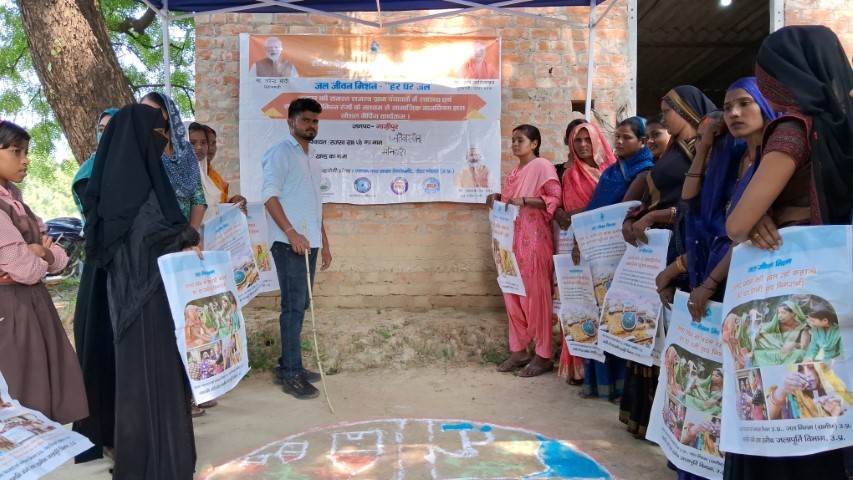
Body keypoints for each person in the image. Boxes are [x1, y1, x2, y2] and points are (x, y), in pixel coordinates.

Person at [723, 25, 853, 480]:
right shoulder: (845, 125)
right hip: (841, 285)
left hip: (796, 283)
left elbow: (737, 225)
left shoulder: (794, 130)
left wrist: (762, 211)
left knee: (786, 414)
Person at [82, 101, 203, 479]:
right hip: (143, 301)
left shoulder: (132, 182)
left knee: (150, 380)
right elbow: (148, 235)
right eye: (158, 133)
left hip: (142, 297)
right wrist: (184, 238)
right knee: (148, 380)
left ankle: (155, 459)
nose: (164, 141)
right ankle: (154, 464)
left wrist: (182, 236)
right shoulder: (130, 189)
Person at [667, 78, 777, 322]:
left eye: (745, 103)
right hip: (720, 266)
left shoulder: (775, 159)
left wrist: (709, 283)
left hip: (757, 274)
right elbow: (688, 199)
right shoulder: (734, 160)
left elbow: (744, 233)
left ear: (764, 104)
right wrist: (704, 147)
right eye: (727, 108)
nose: (734, 113)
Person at [0, 120, 88, 425]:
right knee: (20, 391)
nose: (25, 160)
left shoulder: (15, 201)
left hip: (31, 304)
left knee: (39, 391)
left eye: (26, 152)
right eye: (16, 151)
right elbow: (24, 268)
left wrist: (42, 252)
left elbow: (59, 256)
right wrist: (36, 255)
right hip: (9, 307)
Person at [576, 117, 653, 403]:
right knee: (598, 313)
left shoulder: (644, 171)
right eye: (617, 137)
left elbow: (621, 211)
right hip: (599, 251)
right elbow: (593, 209)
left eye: (626, 137)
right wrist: (580, 238)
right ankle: (599, 382)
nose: (619, 142)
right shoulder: (611, 171)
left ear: (642, 142)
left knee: (620, 315)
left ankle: (621, 388)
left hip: (623, 253)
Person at [262, 97, 332, 399]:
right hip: (288, 243)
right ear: (290, 122)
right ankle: (292, 374)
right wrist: (291, 233)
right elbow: (269, 196)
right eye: (305, 120)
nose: (311, 126)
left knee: (300, 305)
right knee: (292, 307)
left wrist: (324, 242)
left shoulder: (311, 158)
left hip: (309, 243)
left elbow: (315, 205)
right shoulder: (281, 153)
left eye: (315, 121)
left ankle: (288, 365)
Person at [486, 124, 561, 377]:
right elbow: (510, 203)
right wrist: (497, 197)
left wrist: (526, 200)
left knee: (536, 300)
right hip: (510, 244)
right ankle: (519, 352)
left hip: (535, 243)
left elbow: (555, 199)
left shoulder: (542, 166)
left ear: (534, 144)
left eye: (520, 140)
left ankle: (543, 356)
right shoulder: (514, 172)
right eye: (513, 140)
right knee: (512, 296)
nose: (515, 144)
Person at [71, 108, 121, 463]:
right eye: (101, 129)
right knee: (101, 349)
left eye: (112, 128)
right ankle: (103, 434)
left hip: (125, 270)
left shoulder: (132, 168)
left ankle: (124, 429)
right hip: (100, 270)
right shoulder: (89, 173)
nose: (105, 134)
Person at [553, 121, 615, 384]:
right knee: (582, 305)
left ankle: (610, 373)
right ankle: (581, 369)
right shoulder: (570, 175)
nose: (582, 145)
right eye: (577, 141)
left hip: (608, 246)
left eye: (587, 139)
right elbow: (568, 214)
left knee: (608, 306)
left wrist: (577, 215)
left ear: (597, 140)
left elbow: (615, 207)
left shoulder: (612, 171)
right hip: (578, 246)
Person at [140, 93, 206, 230]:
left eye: (153, 112)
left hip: (187, 233)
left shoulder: (187, 150)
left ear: (169, 115)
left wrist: (191, 232)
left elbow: (198, 197)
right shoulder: (144, 152)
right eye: (142, 113)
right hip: (157, 232)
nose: (147, 118)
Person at [187, 122, 246, 219]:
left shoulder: (211, 177)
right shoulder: (181, 177)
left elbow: (216, 205)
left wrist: (232, 202)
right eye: (193, 143)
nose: (199, 147)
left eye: (204, 142)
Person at [767, 363, 847, 420]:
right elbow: (766, 418)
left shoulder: (833, 396)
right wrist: (781, 392)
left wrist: (835, 416)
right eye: (800, 369)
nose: (807, 374)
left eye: (811, 367)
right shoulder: (786, 394)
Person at [753, 301, 811, 366]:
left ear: (793, 313)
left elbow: (804, 346)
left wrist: (793, 344)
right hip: (776, 352)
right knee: (757, 353)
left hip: (790, 353)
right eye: (778, 313)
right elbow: (759, 338)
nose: (780, 316)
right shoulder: (774, 325)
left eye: (783, 313)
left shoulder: (802, 327)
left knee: (799, 353)